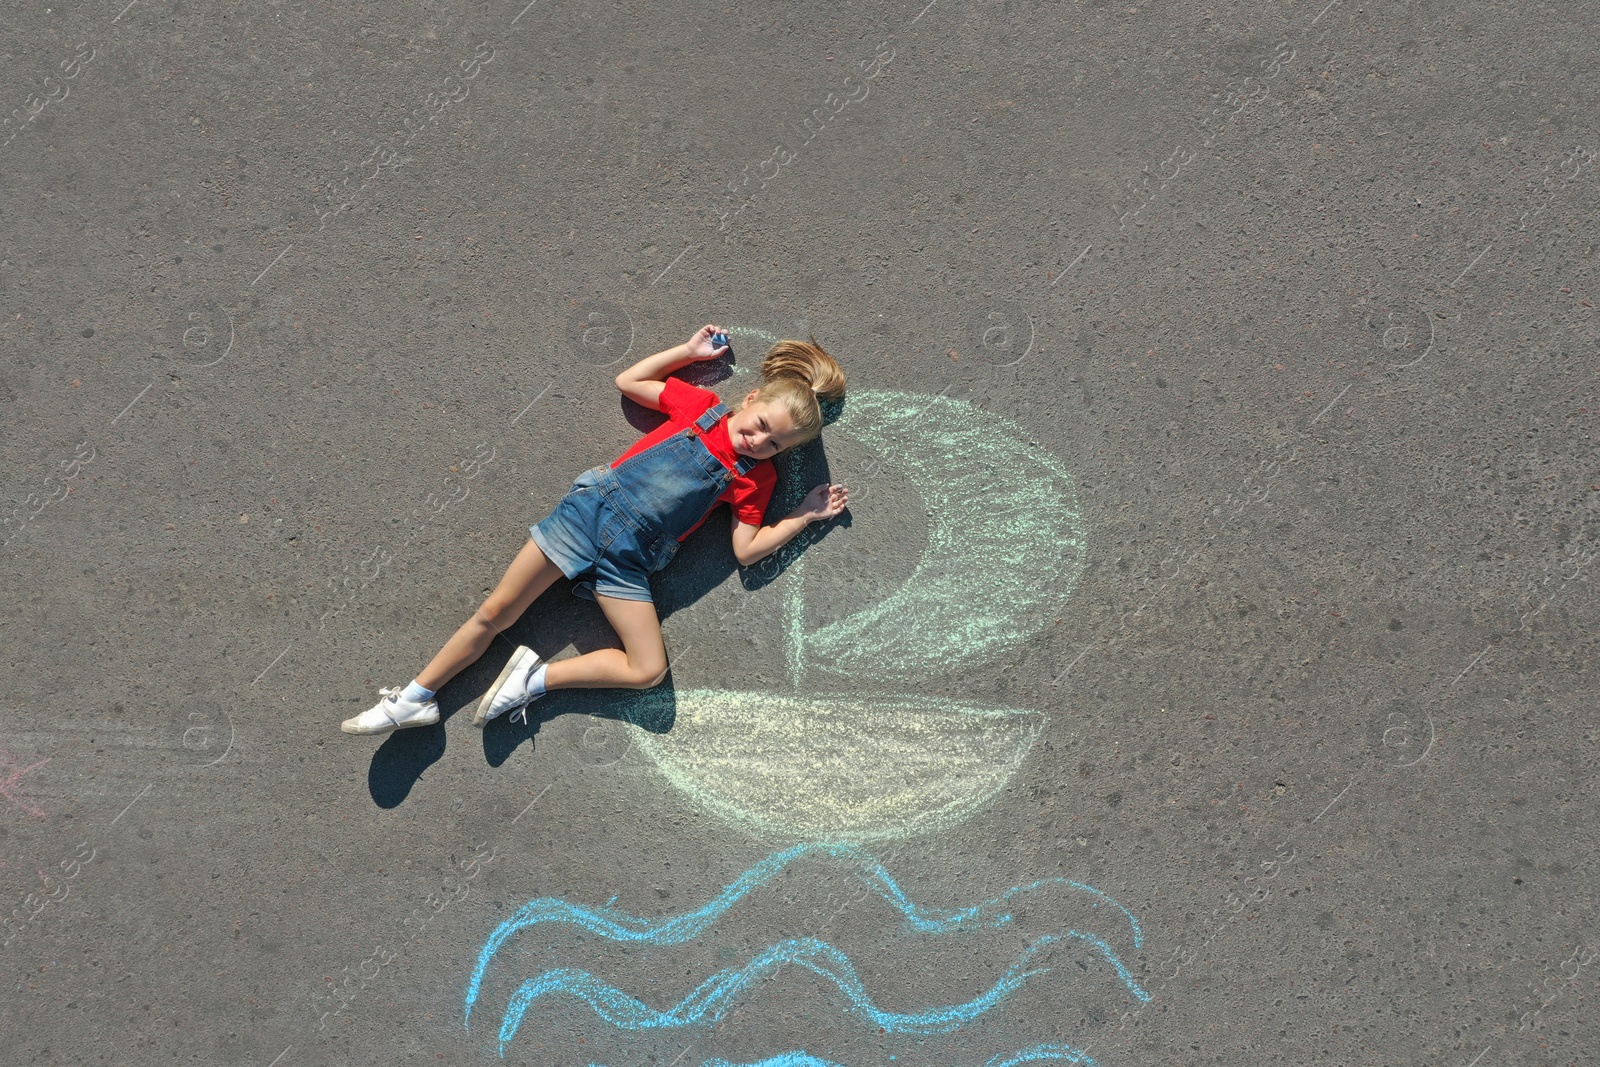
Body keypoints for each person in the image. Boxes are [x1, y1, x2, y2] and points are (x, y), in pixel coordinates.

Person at [340, 324, 848, 735]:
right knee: (495, 613)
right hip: (587, 518)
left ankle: (535, 678)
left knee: (647, 670)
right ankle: (414, 699)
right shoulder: (700, 408)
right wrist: (688, 352)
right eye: (760, 424)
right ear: (751, 398)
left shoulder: (757, 479)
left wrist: (802, 516)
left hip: (630, 559)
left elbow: (746, 549)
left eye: (774, 445)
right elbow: (630, 382)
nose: (757, 442)